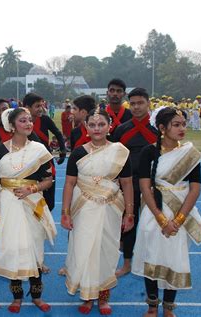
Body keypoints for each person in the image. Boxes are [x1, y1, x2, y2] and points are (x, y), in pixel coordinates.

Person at [132, 107, 201, 317]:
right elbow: (144, 187)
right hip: (153, 211)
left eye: (183, 124)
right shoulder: (148, 152)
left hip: (180, 212)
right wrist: (160, 218)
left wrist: (178, 220)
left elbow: (195, 188)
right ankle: (151, 306)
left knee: (174, 258)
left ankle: (168, 308)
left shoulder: (189, 154)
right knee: (152, 255)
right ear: (162, 128)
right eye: (176, 125)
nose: (182, 128)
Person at [61, 108, 134, 316]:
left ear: (109, 126)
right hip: (83, 208)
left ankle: (103, 297)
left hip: (111, 208)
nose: (97, 128)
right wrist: (65, 212)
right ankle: (87, 295)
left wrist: (130, 213)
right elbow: (69, 184)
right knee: (84, 248)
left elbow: (127, 184)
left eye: (101, 124)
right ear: (85, 127)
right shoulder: (78, 152)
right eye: (92, 125)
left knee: (106, 250)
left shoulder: (120, 152)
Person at [0, 107, 57, 313]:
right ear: (12, 125)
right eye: (23, 121)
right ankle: (16, 297)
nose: (28, 124)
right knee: (14, 248)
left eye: (29, 120)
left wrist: (32, 188)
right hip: (8, 204)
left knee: (35, 247)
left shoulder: (39, 150)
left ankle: (36, 296)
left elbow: (48, 180)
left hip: (32, 202)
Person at [112, 88, 158, 277]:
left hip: (153, 184)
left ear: (148, 104)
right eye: (133, 104)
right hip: (128, 184)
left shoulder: (158, 130)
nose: (137, 107)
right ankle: (127, 263)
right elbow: (112, 155)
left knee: (153, 224)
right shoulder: (121, 130)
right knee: (129, 222)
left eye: (141, 103)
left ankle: (153, 262)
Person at [24, 92, 66, 212]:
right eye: (37, 106)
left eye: (42, 105)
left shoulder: (45, 119)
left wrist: (62, 150)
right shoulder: (18, 123)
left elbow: (57, 133)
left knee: (49, 201)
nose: (41, 109)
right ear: (27, 107)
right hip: (28, 164)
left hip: (46, 161)